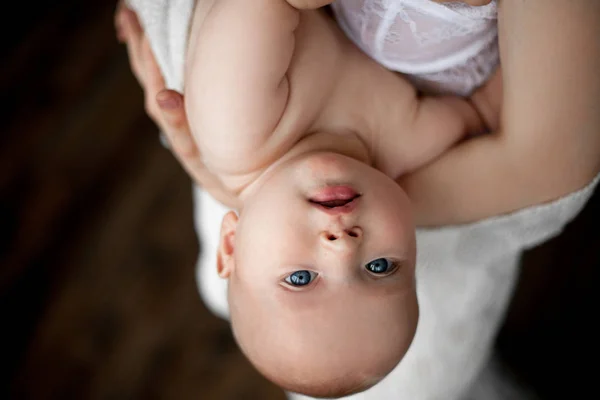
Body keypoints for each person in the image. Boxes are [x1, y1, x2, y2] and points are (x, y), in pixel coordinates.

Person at [117, 0, 600, 399]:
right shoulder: (412, 141)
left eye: (301, 278)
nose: (344, 246)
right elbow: (493, 106)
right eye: (380, 268)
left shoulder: (237, 127)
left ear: (231, 244)